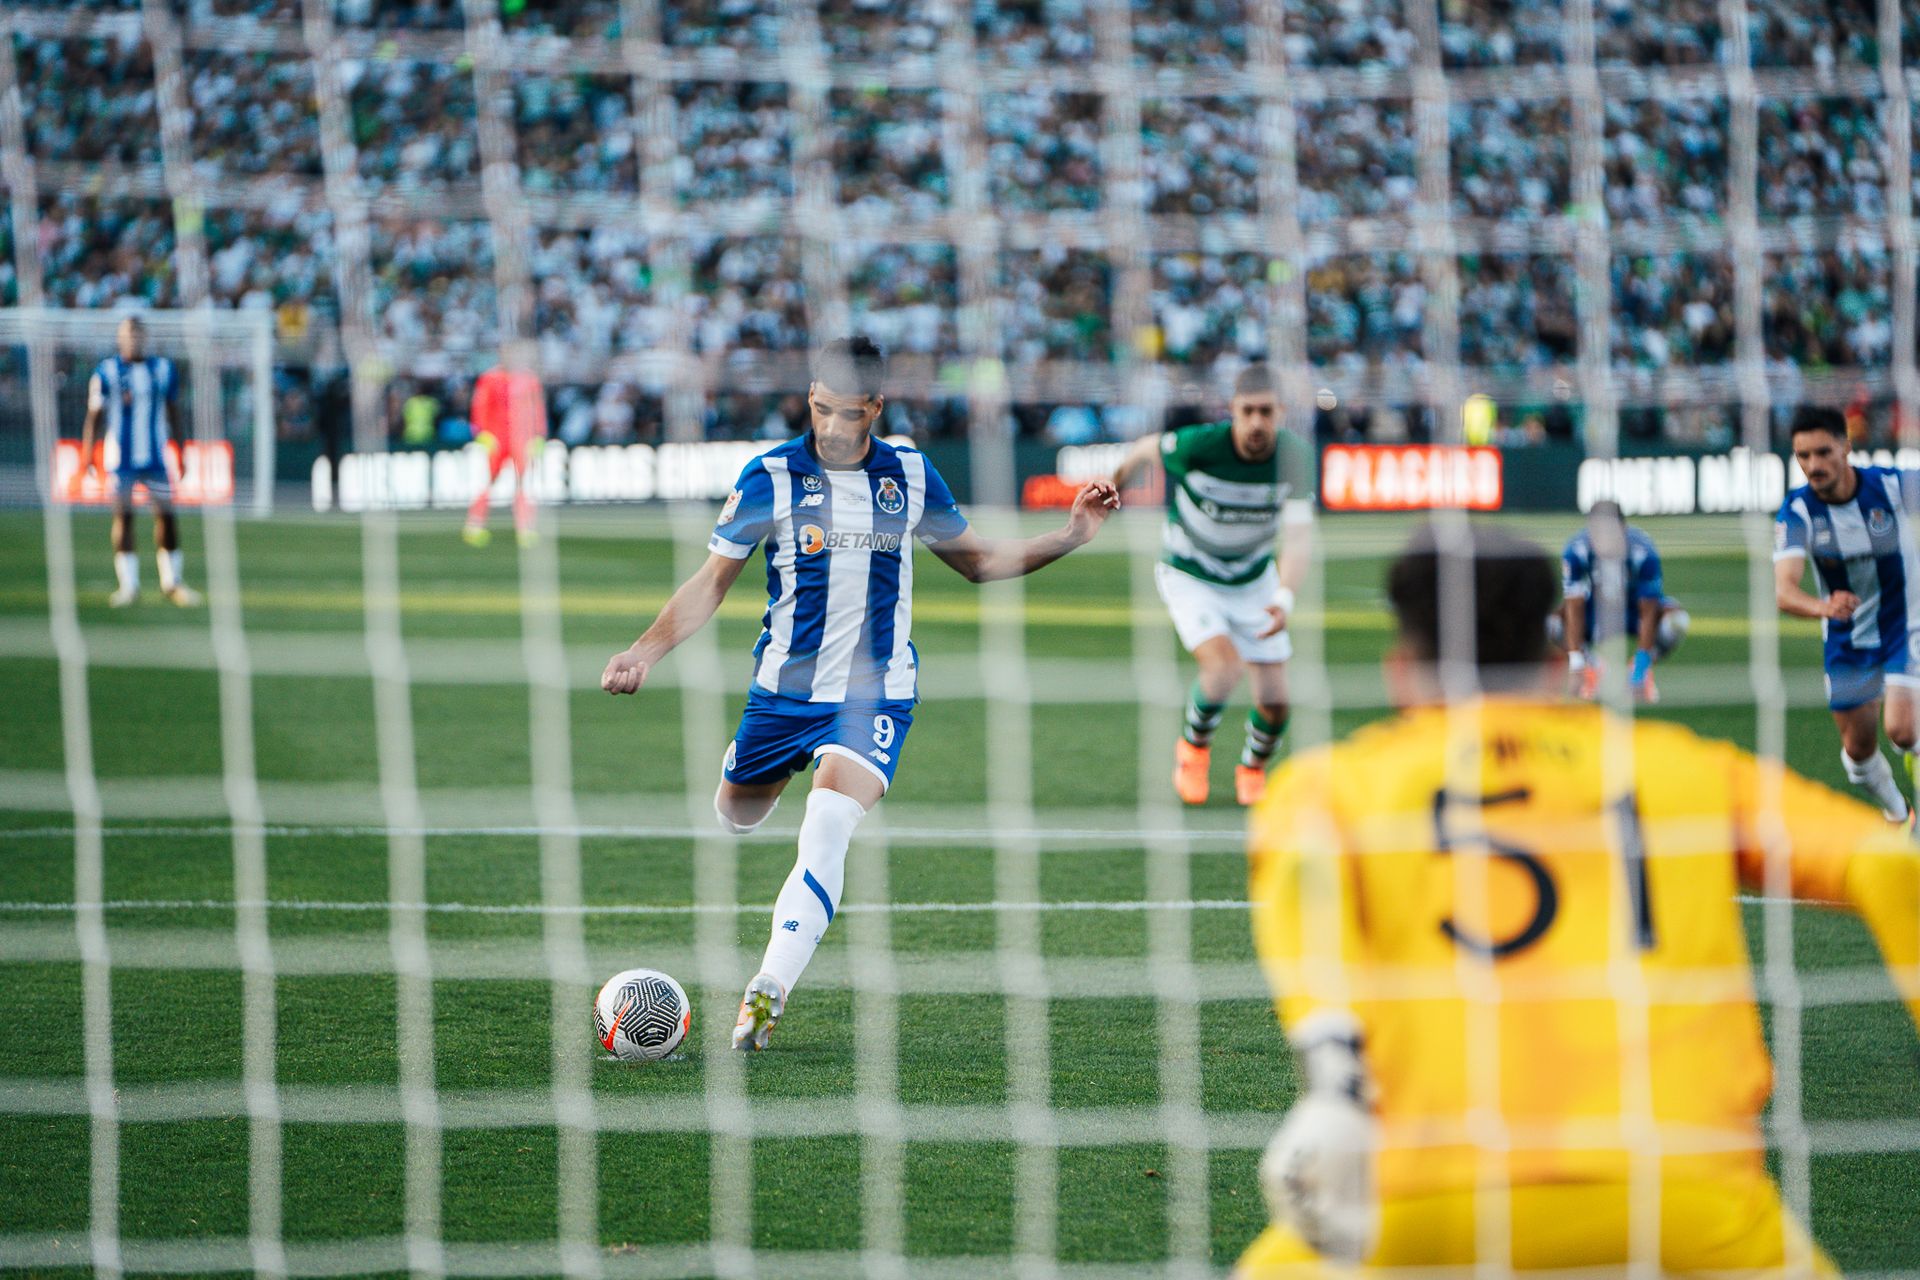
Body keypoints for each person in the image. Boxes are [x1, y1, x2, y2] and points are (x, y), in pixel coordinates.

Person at [1234, 522, 1919, 1278]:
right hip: (1682, 1193)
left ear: (1403, 670)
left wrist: (1333, 1081)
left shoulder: (1331, 790)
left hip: (1424, 1195)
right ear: (1558, 660)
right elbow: (1889, 867)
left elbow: (1304, 893)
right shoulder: (1687, 770)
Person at [601, 337, 1119, 1051]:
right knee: (735, 817)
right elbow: (710, 582)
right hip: (781, 693)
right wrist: (642, 651)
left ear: (876, 406)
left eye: (848, 413)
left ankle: (768, 989)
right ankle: (761, 767)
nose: (833, 427)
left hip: (876, 694)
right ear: (808, 397)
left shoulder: (907, 472)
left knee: (828, 827)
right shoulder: (770, 475)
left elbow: (980, 563)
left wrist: (1071, 534)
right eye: (820, 409)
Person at [1109, 362, 1315, 806]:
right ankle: (1193, 750)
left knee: (1277, 701)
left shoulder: (1295, 457)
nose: (1257, 422)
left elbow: (1298, 538)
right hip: (1190, 572)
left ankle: (1252, 767)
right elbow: (1146, 448)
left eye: (1267, 412)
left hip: (1254, 578)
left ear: (1281, 412)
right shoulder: (1199, 445)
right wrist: (1112, 488)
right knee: (1223, 667)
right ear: (1233, 411)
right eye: (1249, 412)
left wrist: (1284, 596)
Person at [1776, 405, 1920, 826]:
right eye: (1803, 456)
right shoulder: (1798, 511)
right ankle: (1898, 815)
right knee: (1858, 754)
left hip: (1905, 625)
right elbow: (1784, 590)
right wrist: (1823, 607)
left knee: (1904, 728)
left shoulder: (1892, 487)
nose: (1813, 466)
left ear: (1846, 447)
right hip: (1848, 638)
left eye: (1823, 453)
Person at [78, 315, 200, 608]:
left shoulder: (163, 369)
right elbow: (95, 415)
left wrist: (181, 451)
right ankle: (128, 586)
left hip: (156, 457)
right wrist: (86, 454)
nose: (134, 338)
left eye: (139, 333)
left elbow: (174, 411)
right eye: (129, 334)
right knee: (124, 516)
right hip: (120, 459)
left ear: (147, 338)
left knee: (167, 516)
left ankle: (172, 582)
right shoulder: (106, 371)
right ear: (120, 339)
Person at [1552, 499, 1689, 702]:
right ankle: (1593, 668)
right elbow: (1574, 605)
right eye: (1598, 532)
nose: (1604, 539)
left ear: (1623, 528)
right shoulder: (1576, 550)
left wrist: (1640, 670)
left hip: (1632, 612)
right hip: (1594, 613)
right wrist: (1576, 663)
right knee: (1549, 622)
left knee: (1678, 620)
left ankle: (1639, 668)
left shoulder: (1643, 551)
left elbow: (1649, 609)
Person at [462, 343, 549, 548]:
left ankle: (525, 527)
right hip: (497, 438)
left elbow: (536, 408)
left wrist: (538, 435)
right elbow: (480, 406)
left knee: (523, 484)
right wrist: (482, 432)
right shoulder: (490, 378)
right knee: (489, 481)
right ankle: (474, 524)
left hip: (521, 438)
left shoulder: (529, 380)